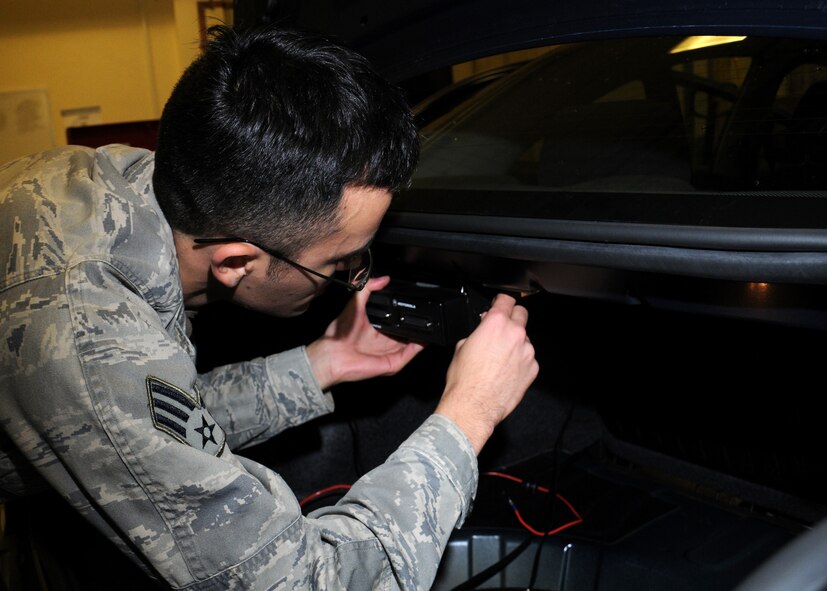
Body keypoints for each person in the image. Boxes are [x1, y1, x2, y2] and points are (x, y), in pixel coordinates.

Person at [0, 24, 538, 590]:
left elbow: (158, 416)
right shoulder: (86, 332)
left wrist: (321, 363)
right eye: (336, 265)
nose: (350, 284)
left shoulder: (115, 186)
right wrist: (469, 415)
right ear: (235, 263)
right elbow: (309, 583)